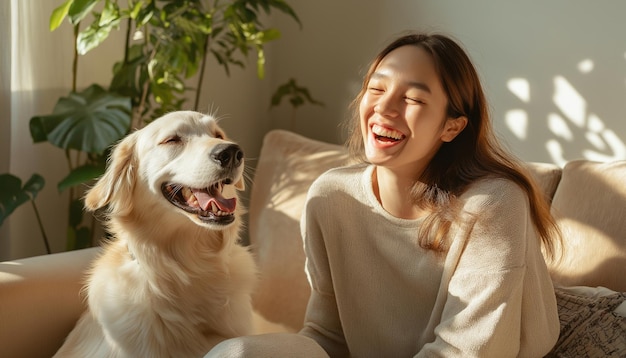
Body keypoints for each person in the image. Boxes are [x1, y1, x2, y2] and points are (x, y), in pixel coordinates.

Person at [208, 31, 561, 357]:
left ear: (451, 127)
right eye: (376, 89)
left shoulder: (492, 204)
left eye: (412, 98)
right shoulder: (331, 198)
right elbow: (328, 336)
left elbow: (467, 351)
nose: (384, 108)